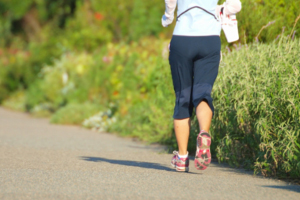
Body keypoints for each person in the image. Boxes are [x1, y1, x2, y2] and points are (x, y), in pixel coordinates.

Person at [162, 0, 241, 172]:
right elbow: (236, 5)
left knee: (183, 97)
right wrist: (220, 10)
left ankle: (182, 158)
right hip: (210, 39)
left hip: (182, 38)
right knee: (203, 93)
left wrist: (167, 17)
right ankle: (203, 133)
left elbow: (170, 2)